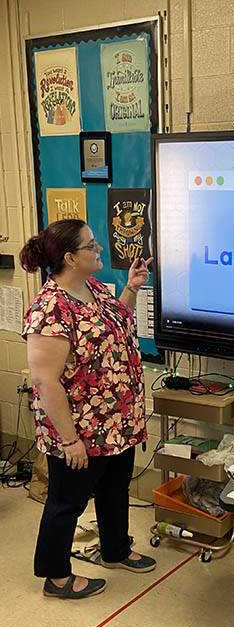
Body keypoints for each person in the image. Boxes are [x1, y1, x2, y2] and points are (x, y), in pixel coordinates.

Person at [20, 219, 156, 599]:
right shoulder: (50, 309)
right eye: (91, 245)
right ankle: (57, 576)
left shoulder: (91, 289)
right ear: (69, 257)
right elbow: (46, 383)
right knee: (67, 503)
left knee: (114, 490)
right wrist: (70, 441)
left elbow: (116, 322)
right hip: (79, 431)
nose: (99, 249)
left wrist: (131, 288)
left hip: (117, 424)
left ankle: (115, 550)